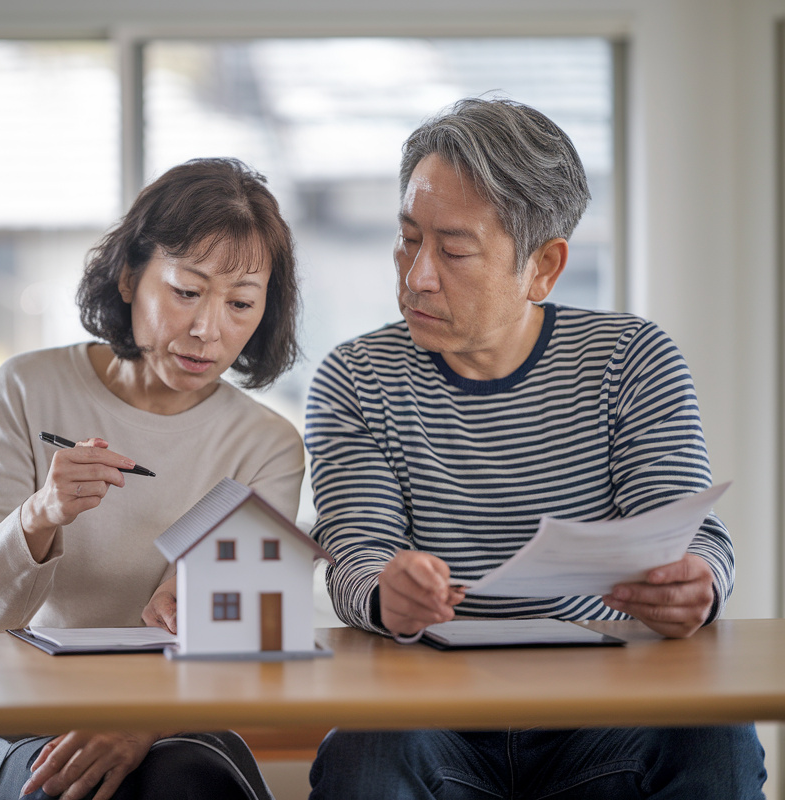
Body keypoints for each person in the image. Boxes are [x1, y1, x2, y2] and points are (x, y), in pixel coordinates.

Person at [305, 98, 767, 798]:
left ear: (544, 268)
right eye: (407, 239)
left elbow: (692, 534)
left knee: (716, 737)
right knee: (364, 757)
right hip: (432, 718)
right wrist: (383, 592)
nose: (417, 275)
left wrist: (696, 584)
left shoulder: (631, 359)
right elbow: (355, 554)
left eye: (453, 250)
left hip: (612, 710)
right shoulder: (356, 377)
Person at [0, 157, 306, 800]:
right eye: (186, 291)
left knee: (178, 779)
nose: (209, 329)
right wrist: (40, 514)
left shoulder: (266, 446)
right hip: (1, 723)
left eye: (240, 303)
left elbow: (233, 646)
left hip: (170, 725)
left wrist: (140, 718)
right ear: (128, 277)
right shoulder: (25, 389)